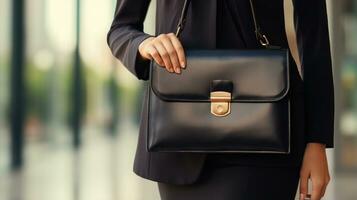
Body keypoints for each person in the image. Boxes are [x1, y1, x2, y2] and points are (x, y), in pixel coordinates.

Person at [107, 0, 334, 199]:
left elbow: (314, 37)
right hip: (179, 139)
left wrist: (316, 141)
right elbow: (121, 29)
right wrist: (143, 44)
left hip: (266, 136)